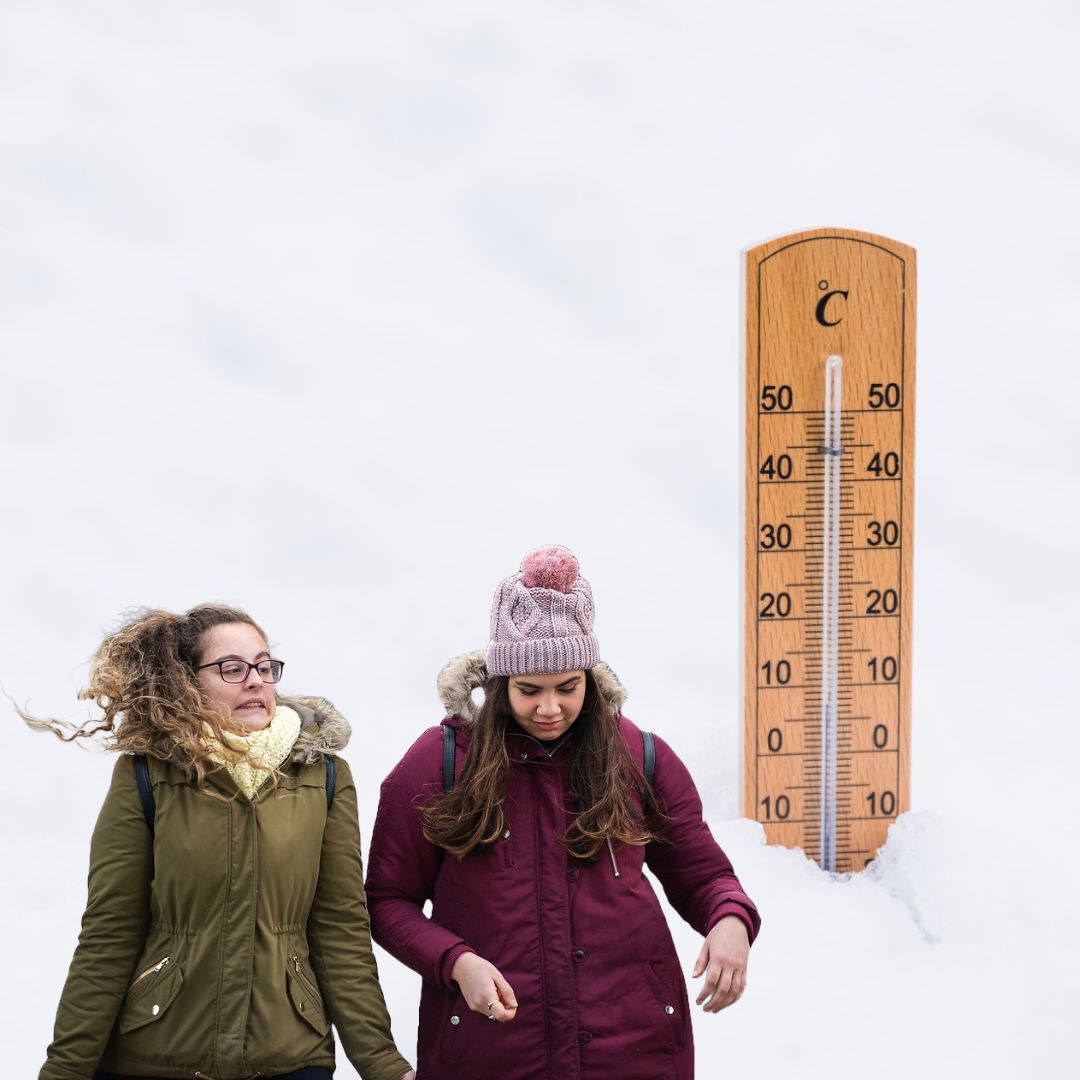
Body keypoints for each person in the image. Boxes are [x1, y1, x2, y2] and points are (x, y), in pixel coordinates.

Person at [365, 546, 760, 1080]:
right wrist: (456, 962)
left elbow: (706, 875)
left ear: (590, 679)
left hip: (633, 1051)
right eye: (529, 691)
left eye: (568, 688)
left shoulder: (639, 756)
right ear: (501, 683)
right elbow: (388, 902)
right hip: (492, 1054)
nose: (549, 708)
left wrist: (730, 920)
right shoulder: (439, 764)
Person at [25, 603, 415, 1080]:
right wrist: (65, 1068)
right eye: (232, 668)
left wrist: (382, 1064)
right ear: (187, 683)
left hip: (290, 1058)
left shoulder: (325, 777)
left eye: (265, 666)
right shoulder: (147, 775)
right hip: (156, 1056)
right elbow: (110, 931)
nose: (256, 681)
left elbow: (339, 929)